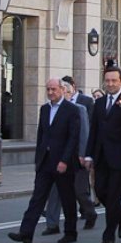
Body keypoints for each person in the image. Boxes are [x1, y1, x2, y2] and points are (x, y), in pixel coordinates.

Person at [9, 78, 81, 243]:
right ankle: (26, 232)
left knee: (67, 198)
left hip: (63, 162)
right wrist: (38, 159)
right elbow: (41, 135)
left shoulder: (71, 110)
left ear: (62, 90)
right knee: (38, 197)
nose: (50, 93)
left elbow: (73, 138)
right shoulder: (44, 109)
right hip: (45, 161)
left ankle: (71, 232)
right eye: (48, 89)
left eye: (53, 89)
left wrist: (65, 160)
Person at [86, 67, 121, 243]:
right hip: (101, 156)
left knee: (114, 195)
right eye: (107, 81)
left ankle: (109, 235)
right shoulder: (99, 103)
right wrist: (88, 155)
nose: (110, 84)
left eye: (114, 81)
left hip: (120, 157)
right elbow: (93, 131)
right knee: (100, 191)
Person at [43, 77, 98, 234]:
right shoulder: (50, 109)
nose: (63, 94)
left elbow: (84, 133)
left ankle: (90, 212)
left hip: (76, 157)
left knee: (79, 190)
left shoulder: (79, 109)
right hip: (58, 158)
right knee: (55, 191)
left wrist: (83, 154)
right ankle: (52, 224)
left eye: (66, 92)